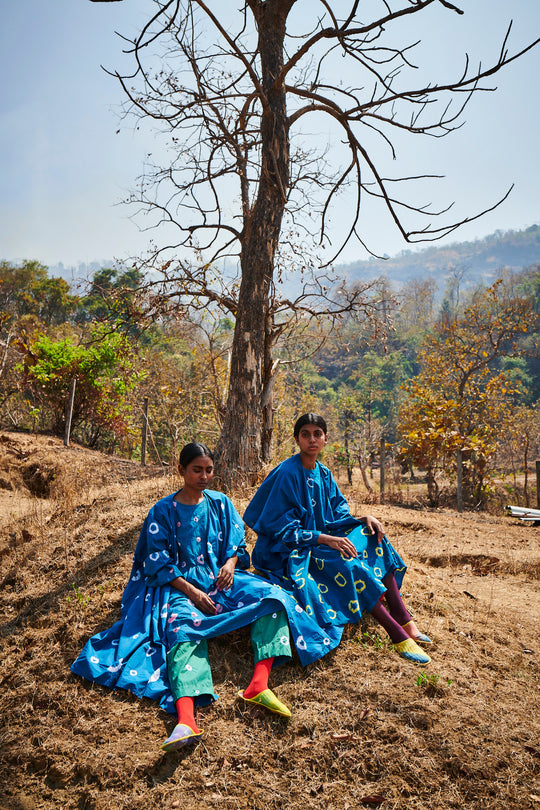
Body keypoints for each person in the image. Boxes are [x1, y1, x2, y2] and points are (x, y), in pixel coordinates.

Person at [71, 442, 338, 752]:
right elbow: (156, 563)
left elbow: (238, 545)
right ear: (181, 470)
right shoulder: (162, 511)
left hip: (223, 581)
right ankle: (186, 720)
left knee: (273, 598)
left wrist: (230, 564)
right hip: (180, 588)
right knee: (181, 629)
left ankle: (258, 685)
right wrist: (193, 593)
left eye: (208, 470)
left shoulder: (221, 503)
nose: (203, 476)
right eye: (196, 470)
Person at [243, 413, 432, 666]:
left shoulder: (323, 473)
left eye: (317, 434)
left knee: (373, 536)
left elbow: (338, 513)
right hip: (291, 550)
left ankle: (405, 619)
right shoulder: (287, 473)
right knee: (349, 561)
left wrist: (363, 518)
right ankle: (395, 632)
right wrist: (324, 539)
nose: (312, 439)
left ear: (325, 438)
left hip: (325, 539)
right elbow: (282, 530)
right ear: (297, 439)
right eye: (305, 434)